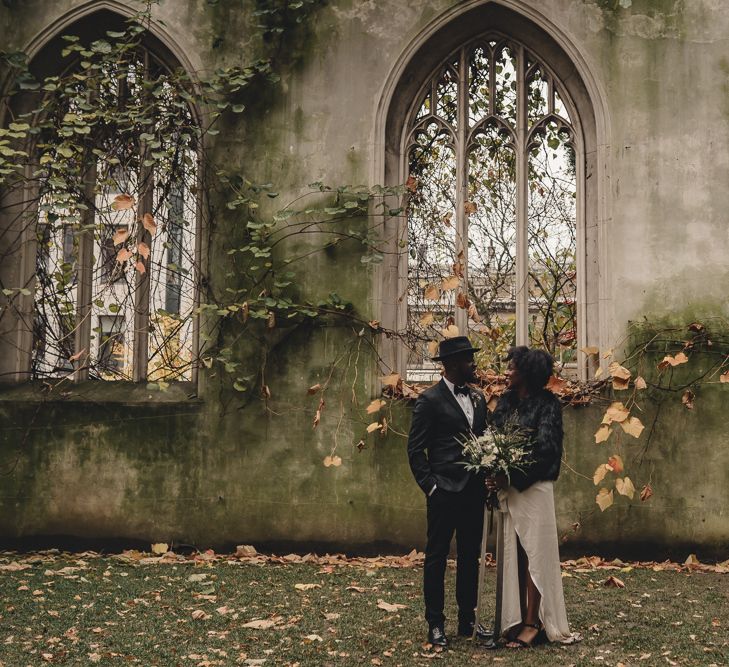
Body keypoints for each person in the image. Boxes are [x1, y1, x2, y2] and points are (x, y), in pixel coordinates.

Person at [486, 345, 580, 648]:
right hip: (509, 490)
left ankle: (534, 622)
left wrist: (511, 475)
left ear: (526, 372)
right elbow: (494, 438)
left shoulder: (548, 405)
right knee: (514, 554)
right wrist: (493, 470)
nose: (507, 372)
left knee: (535, 555)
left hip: (534, 489)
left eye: (512, 367)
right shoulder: (506, 402)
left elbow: (546, 451)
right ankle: (515, 618)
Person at [407, 336, 491, 648]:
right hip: (443, 492)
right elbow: (415, 451)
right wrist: (431, 487)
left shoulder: (479, 399)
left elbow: (486, 440)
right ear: (453, 364)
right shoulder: (429, 400)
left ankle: (467, 619)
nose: (473, 364)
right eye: (469, 359)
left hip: (474, 492)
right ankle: (435, 624)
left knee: (470, 558)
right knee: (437, 557)